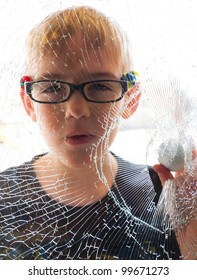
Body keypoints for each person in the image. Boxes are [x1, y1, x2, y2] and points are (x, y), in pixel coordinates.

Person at [0, 6, 196, 260]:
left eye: (100, 85)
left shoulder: (165, 193)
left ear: (130, 99)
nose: (77, 110)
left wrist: (191, 242)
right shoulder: (4, 197)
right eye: (53, 87)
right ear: (29, 102)